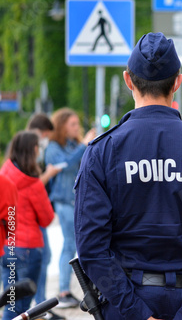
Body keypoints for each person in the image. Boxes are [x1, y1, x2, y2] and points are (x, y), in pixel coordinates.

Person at [74, 32, 182, 320]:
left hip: (125, 301)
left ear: (128, 81)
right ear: (178, 81)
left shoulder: (102, 152)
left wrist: (135, 312)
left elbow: (91, 247)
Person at [0, 131, 55, 320]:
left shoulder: (4, 174)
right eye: (38, 147)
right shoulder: (34, 184)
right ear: (32, 151)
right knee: (19, 308)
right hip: (28, 250)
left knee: (10, 301)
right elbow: (47, 219)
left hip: (7, 247)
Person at [45, 108, 96, 308]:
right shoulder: (53, 147)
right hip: (63, 202)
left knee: (76, 244)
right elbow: (65, 165)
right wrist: (84, 146)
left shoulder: (76, 144)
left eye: (77, 124)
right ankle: (64, 291)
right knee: (69, 244)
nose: (77, 128)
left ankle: (71, 289)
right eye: (72, 124)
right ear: (62, 127)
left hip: (77, 202)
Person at [27, 114, 66, 320]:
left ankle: (39, 306)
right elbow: (31, 187)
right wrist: (49, 174)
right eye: (45, 136)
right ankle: (38, 307)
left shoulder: (28, 150)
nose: (45, 141)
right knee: (40, 259)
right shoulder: (28, 150)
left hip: (35, 218)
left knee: (45, 257)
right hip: (31, 219)